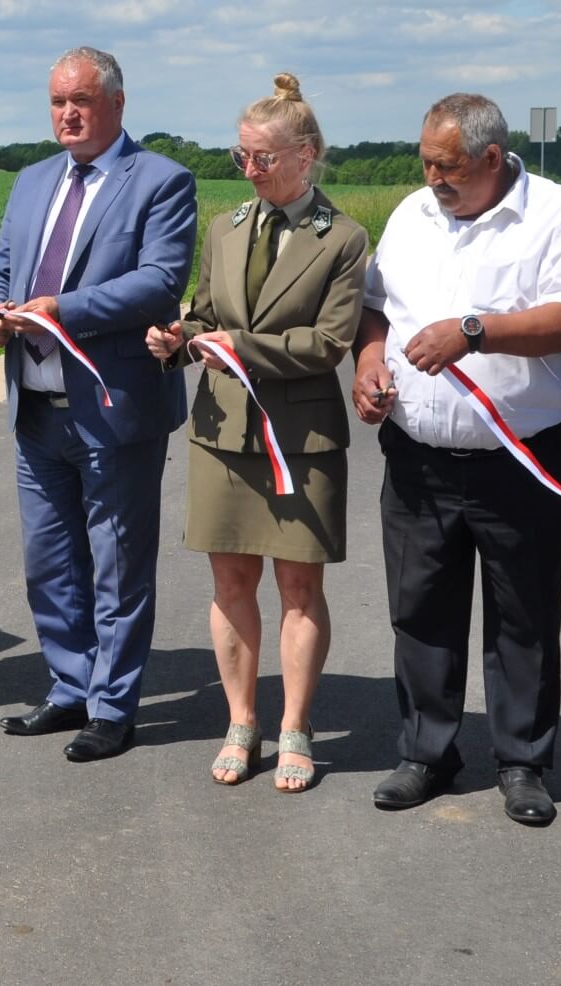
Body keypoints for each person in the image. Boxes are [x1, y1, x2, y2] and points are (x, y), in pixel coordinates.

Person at [350, 93, 561, 825]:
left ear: (493, 159)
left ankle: (523, 761)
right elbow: (377, 306)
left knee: (521, 613)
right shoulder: (410, 215)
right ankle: (426, 752)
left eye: (449, 166)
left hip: (521, 456)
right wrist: (371, 362)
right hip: (417, 455)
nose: (434, 177)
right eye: (426, 162)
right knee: (420, 607)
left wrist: (474, 331)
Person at [145, 73, 369, 792]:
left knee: (300, 587)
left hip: (299, 439)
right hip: (221, 432)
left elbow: (329, 342)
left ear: (306, 155)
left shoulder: (344, 238)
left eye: (263, 157)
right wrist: (179, 340)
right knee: (230, 580)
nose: (249, 170)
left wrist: (239, 348)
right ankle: (242, 722)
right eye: (240, 156)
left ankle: (296, 727)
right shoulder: (224, 227)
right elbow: (208, 315)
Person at [0, 47, 198, 762]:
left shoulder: (161, 181)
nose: (66, 114)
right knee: (50, 562)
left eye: (80, 100)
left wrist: (61, 309)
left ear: (117, 104)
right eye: (56, 102)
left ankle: (113, 704)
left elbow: (160, 281)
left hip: (114, 408)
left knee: (118, 564)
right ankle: (69, 688)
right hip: (36, 408)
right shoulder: (33, 179)